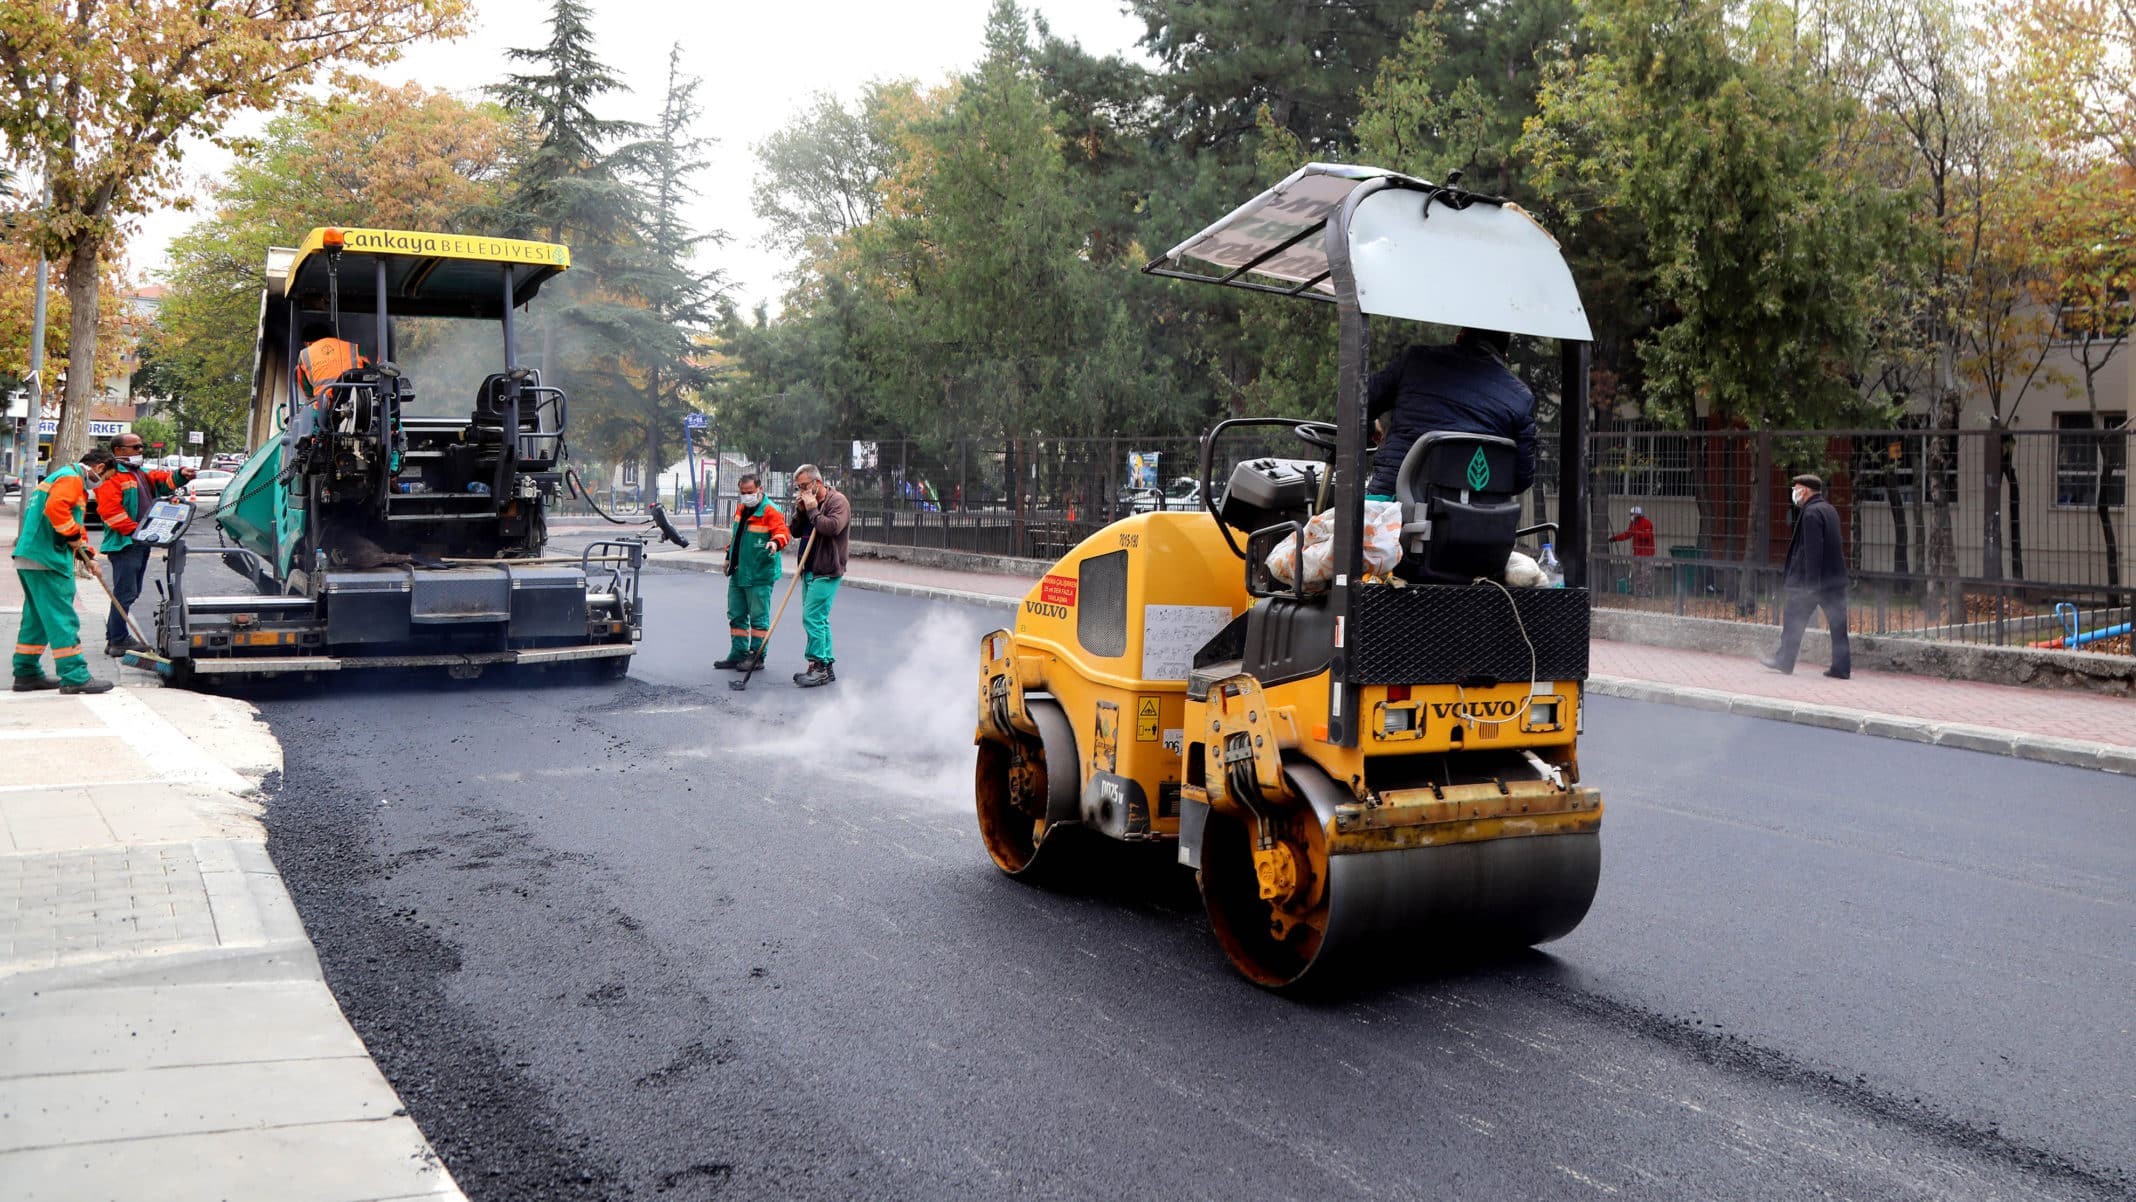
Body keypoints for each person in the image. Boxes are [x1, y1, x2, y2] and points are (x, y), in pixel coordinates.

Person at [1365, 327, 1537, 501]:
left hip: (1393, 507)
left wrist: (1371, 427)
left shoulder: (1415, 361)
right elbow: (1521, 478)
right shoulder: (1521, 398)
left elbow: (1361, 402)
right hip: (1472, 519)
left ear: (1459, 337)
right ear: (1504, 355)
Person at [13, 447, 118, 694]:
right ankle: (75, 675)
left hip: (31, 556)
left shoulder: (63, 477)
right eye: (107, 478)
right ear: (100, 468)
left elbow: (71, 524)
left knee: (37, 618)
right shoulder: (71, 478)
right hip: (48, 558)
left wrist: (88, 556)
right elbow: (56, 511)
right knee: (62, 617)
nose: (102, 484)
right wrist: (72, 538)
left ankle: (26, 673)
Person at [95, 433, 194, 656]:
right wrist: (137, 532)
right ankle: (118, 640)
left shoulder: (139, 473)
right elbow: (110, 513)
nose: (141, 451)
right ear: (119, 451)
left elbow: (163, 480)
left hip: (138, 541)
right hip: (125, 544)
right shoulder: (112, 477)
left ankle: (116, 638)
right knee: (125, 592)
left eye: (142, 447)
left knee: (131, 591)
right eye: (136, 447)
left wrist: (181, 476)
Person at [1763, 474, 1851, 679]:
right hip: (1835, 580)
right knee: (1838, 626)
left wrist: (1811, 585)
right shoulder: (1829, 510)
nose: (1794, 492)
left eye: (1796, 488)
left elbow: (1813, 551)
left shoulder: (1811, 513)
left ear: (1806, 491)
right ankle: (1842, 667)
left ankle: (1784, 661)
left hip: (1812, 583)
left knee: (1793, 620)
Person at [715, 474, 790, 670]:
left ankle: (757, 656)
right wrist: (728, 557)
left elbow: (783, 532)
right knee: (736, 614)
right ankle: (738, 653)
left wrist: (775, 542)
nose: (747, 496)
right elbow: (737, 537)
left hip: (759, 573)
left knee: (758, 617)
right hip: (739, 571)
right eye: (743, 493)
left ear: (759, 489)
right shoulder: (741, 509)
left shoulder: (770, 510)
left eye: (750, 492)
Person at [789, 463, 849, 688]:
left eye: (804, 486)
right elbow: (794, 531)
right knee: (820, 619)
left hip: (827, 569)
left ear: (817, 483)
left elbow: (831, 528)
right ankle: (826, 665)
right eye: (799, 487)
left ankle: (818, 666)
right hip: (809, 568)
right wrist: (801, 512)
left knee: (812, 617)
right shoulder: (808, 503)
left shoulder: (837, 502)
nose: (801, 491)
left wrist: (813, 510)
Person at [295, 321, 368, 404]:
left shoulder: (304, 354)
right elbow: (369, 374)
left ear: (308, 342)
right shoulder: (354, 347)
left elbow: (308, 391)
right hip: (357, 402)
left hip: (324, 406)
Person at [1609, 505, 1658, 596]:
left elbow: (1647, 537)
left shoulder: (1647, 523)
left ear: (1638, 515)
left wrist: (1636, 531)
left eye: (1633, 514)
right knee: (1636, 572)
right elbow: (1627, 534)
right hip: (1637, 552)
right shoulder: (1632, 524)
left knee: (1646, 573)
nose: (1631, 516)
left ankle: (1647, 592)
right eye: (1631, 514)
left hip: (1647, 553)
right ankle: (1639, 591)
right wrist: (1615, 538)